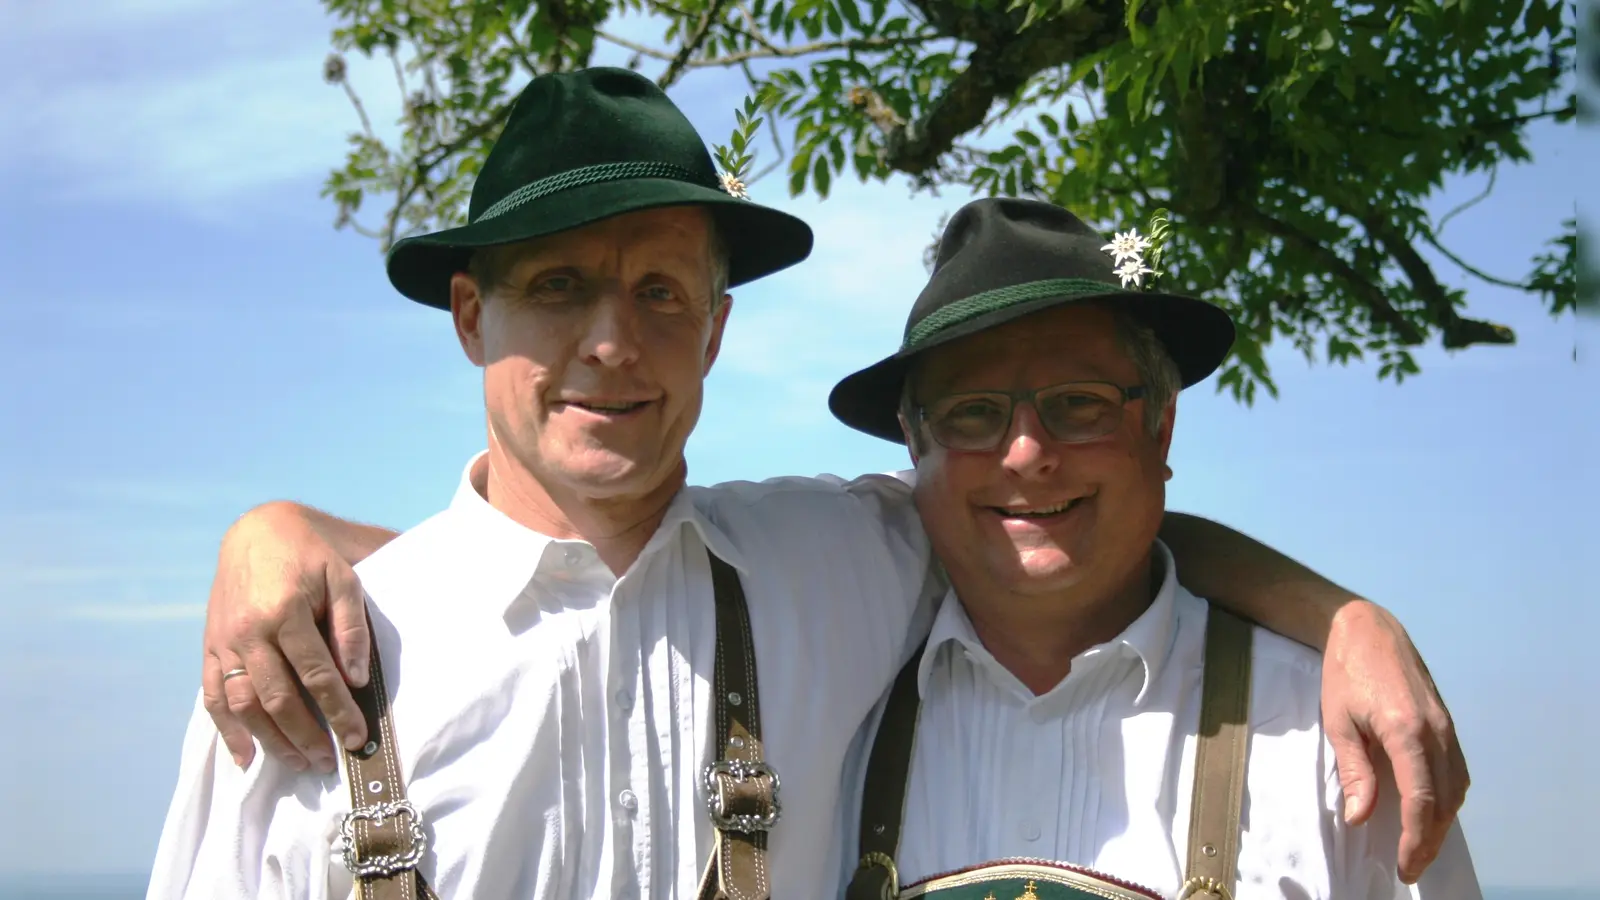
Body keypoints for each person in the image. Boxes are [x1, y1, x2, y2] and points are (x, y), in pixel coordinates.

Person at [151, 67, 1467, 900]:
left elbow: (1058, 517)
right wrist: (271, 534)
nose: (611, 341)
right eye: (556, 289)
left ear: (716, 330)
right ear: (465, 316)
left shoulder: (826, 562)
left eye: (661, 291)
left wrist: (1344, 618)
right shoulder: (312, 665)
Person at [830, 197, 1479, 899]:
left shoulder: (1330, 746)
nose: (1026, 453)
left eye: (1079, 403)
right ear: (914, 443)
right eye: (973, 412)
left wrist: (1345, 618)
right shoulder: (825, 721)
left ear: (1162, 428)